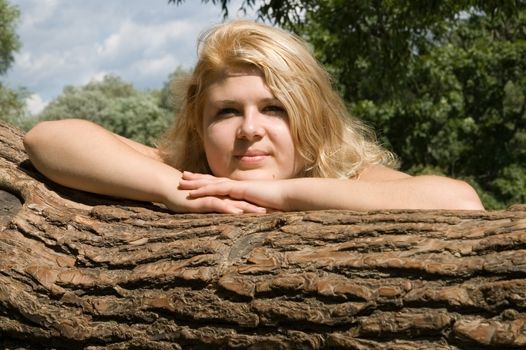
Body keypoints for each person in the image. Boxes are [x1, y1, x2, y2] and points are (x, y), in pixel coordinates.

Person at [23, 20, 484, 214]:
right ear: (199, 126)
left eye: (274, 108)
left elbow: (460, 203)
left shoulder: (347, 175)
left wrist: (276, 193)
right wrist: (171, 192)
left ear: (313, 119)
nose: (249, 129)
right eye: (226, 112)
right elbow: (48, 138)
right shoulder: (194, 176)